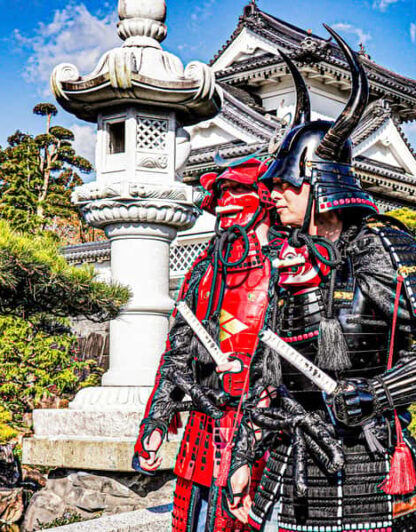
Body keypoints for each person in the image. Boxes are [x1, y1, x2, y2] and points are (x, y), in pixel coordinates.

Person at [225, 27, 416, 532]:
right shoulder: (287, 261)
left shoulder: (380, 247)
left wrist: (377, 393)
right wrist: (244, 457)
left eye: (286, 184)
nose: (274, 194)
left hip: (367, 463)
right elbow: (264, 373)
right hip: (289, 467)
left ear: (320, 183)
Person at [134, 157, 277, 532]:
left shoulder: (289, 265)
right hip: (202, 425)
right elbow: (177, 354)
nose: (227, 201)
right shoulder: (203, 269)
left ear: (265, 197)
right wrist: (157, 421)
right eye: (223, 193)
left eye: (239, 190)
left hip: (266, 429)